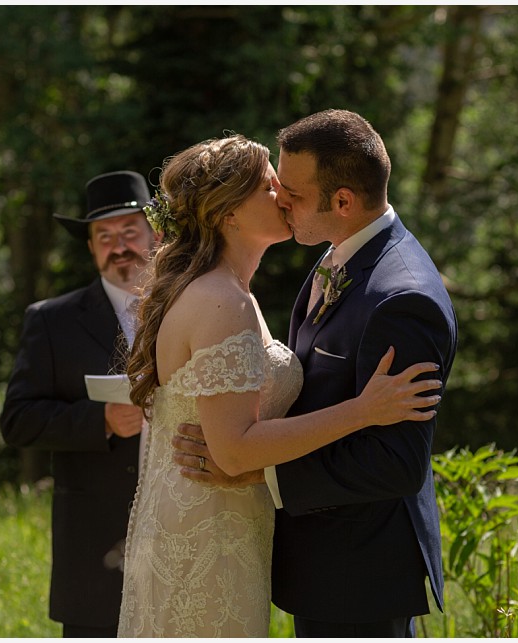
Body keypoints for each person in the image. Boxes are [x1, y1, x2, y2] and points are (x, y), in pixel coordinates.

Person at [116, 134, 442, 638]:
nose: (283, 197)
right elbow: (235, 450)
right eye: (271, 187)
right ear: (228, 213)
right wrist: (362, 410)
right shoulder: (224, 301)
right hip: (207, 530)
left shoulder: (232, 290)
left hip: (234, 527)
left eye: (286, 187)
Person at [0, 171, 161, 637]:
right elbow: (17, 420)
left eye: (129, 231)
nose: (119, 246)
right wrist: (102, 421)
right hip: (94, 542)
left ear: (154, 234)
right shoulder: (52, 321)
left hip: (183, 529)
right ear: (91, 248)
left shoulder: (188, 305)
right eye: (104, 237)